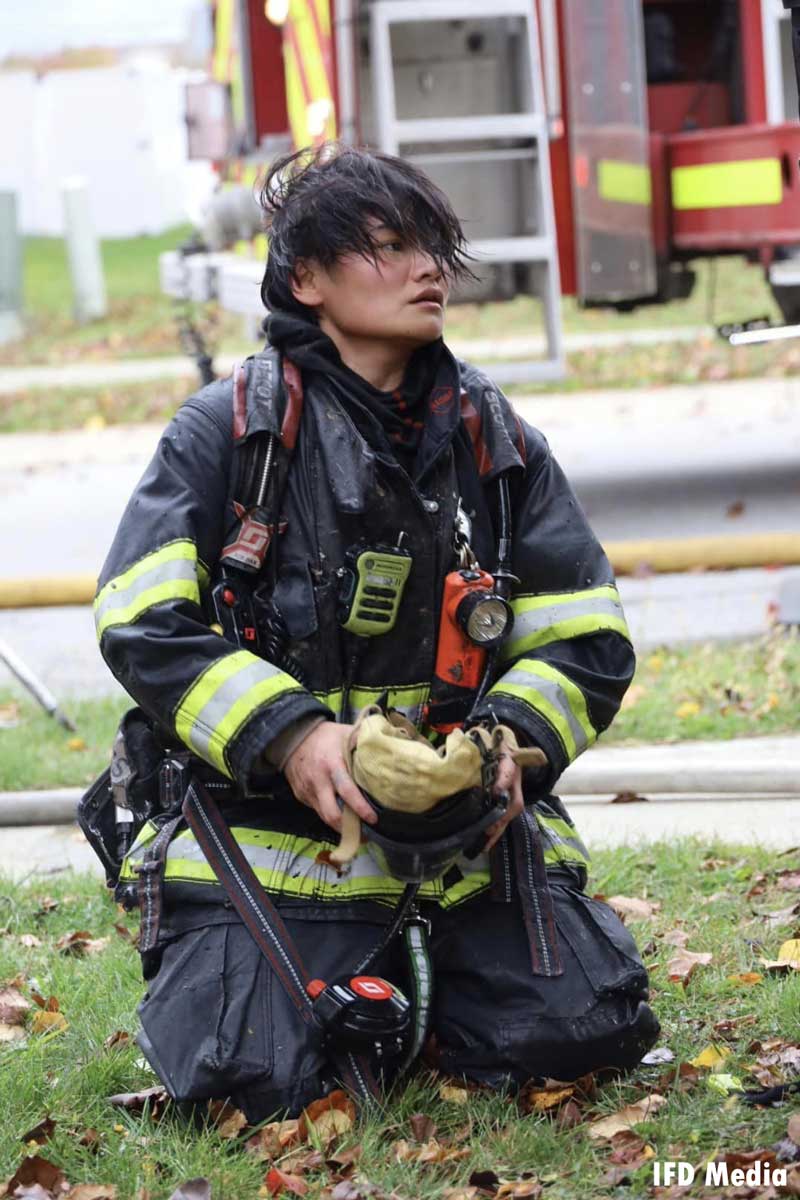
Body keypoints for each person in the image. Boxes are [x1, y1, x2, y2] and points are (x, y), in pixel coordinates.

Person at [94, 144, 659, 1121]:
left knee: (576, 1032)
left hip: (461, 842)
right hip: (273, 838)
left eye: (433, 247)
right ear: (305, 278)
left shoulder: (493, 438)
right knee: (244, 1077)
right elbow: (139, 618)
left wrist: (509, 740)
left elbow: (586, 636)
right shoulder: (227, 435)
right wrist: (293, 734)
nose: (427, 269)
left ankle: (431, 976)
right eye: (389, 247)